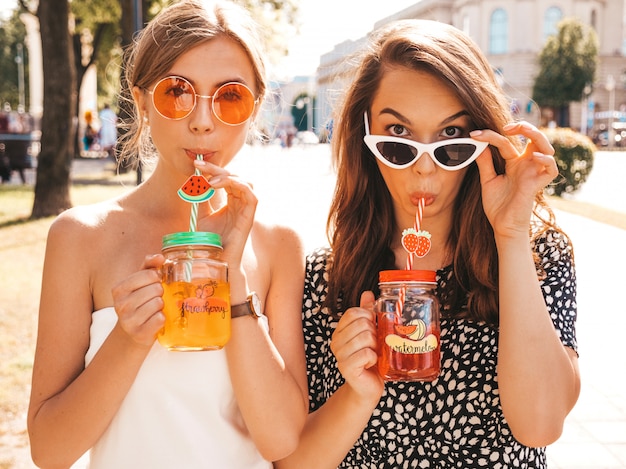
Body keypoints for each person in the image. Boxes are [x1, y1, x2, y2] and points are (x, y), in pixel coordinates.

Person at [276, 19, 579, 468]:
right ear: (366, 140)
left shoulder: (538, 255)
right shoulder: (324, 278)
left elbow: (540, 426)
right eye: (398, 138)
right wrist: (358, 393)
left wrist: (511, 235)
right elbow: (294, 462)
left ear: (483, 141)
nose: (424, 168)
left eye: (451, 140)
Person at [27, 1, 308, 468]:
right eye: (177, 93)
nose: (202, 120)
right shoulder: (80, 238)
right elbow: (49, 451)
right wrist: (128, 340)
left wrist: (234, 285)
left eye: (230, 97)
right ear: (140, 100)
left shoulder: (277, 246)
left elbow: (282, 442)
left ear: (254, 108)